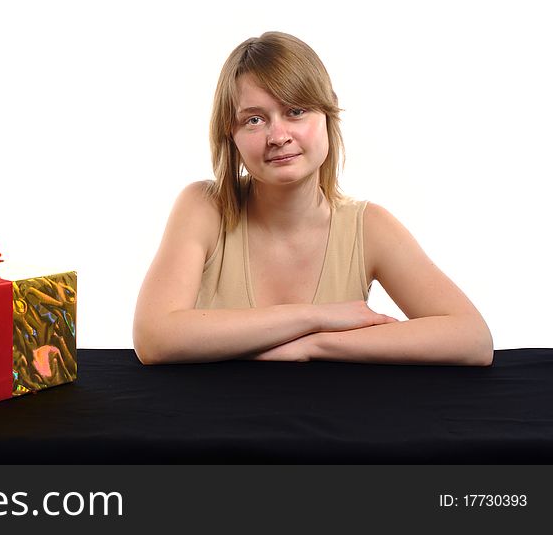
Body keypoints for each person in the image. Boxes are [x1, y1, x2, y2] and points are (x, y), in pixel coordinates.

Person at [132, 32, 493, 366]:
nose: (278, 135)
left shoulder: (368, 226)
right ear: (232, 133)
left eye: (296, 111)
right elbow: (154, 338)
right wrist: (316, 316)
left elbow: (472, 339)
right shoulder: (204, 207)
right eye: (254, 120)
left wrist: (314, 344)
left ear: (328, 112)